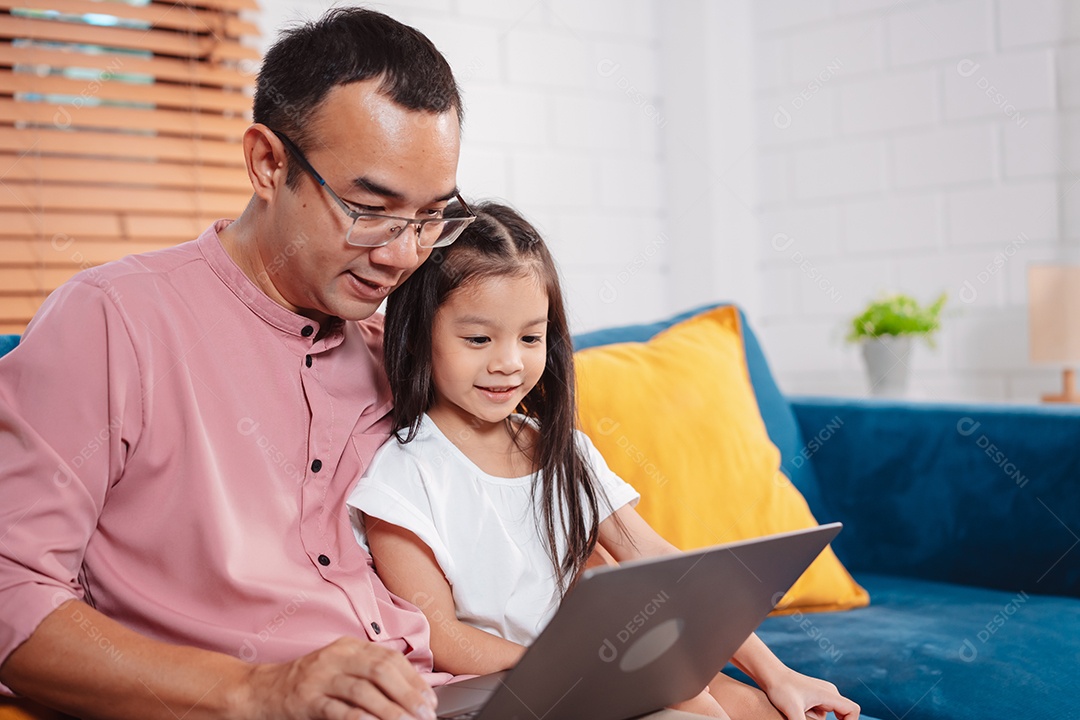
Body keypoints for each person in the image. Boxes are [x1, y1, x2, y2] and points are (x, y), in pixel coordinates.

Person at [0, 9, 472, 720]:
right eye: (370, 208)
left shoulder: (393, 352)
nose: (404, 254)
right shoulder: (113, 320)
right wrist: (259, 691)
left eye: (431, 217)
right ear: (268, 164)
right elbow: (11, 591)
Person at [348, 201, 862, 720]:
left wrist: (778, 675)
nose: (508, 362)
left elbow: (668, 569)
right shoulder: (403, 476)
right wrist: (582, 670)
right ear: (418, 336)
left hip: (606, 674)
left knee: (775, 713)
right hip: (508, 692)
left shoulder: (562, 450)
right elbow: (443, 639)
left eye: (530, 337)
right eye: (479, 339)